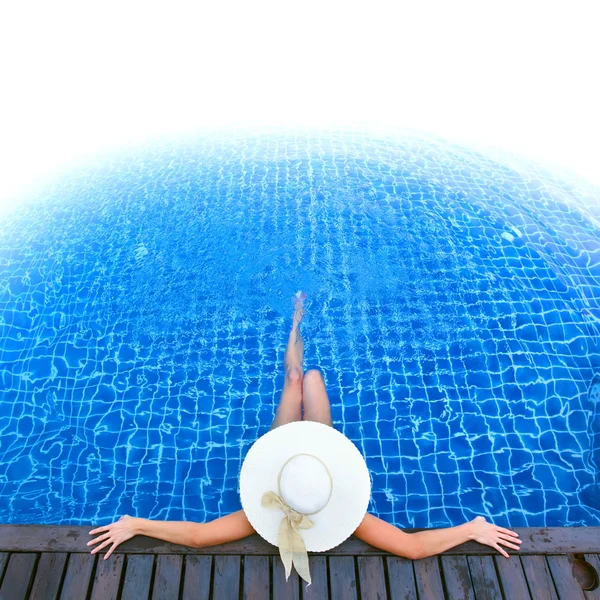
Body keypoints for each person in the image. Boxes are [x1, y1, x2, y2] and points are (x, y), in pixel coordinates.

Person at [88, 292, 522, 563]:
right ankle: (296, 321)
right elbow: (410, 549)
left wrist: (138, 523)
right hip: (312, 457)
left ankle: (296, 322)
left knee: (300, 379)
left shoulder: (266, 512)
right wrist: (470, 528)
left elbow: (201, 538)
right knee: (306, 379)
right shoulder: (343, 516)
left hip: (291, 457)